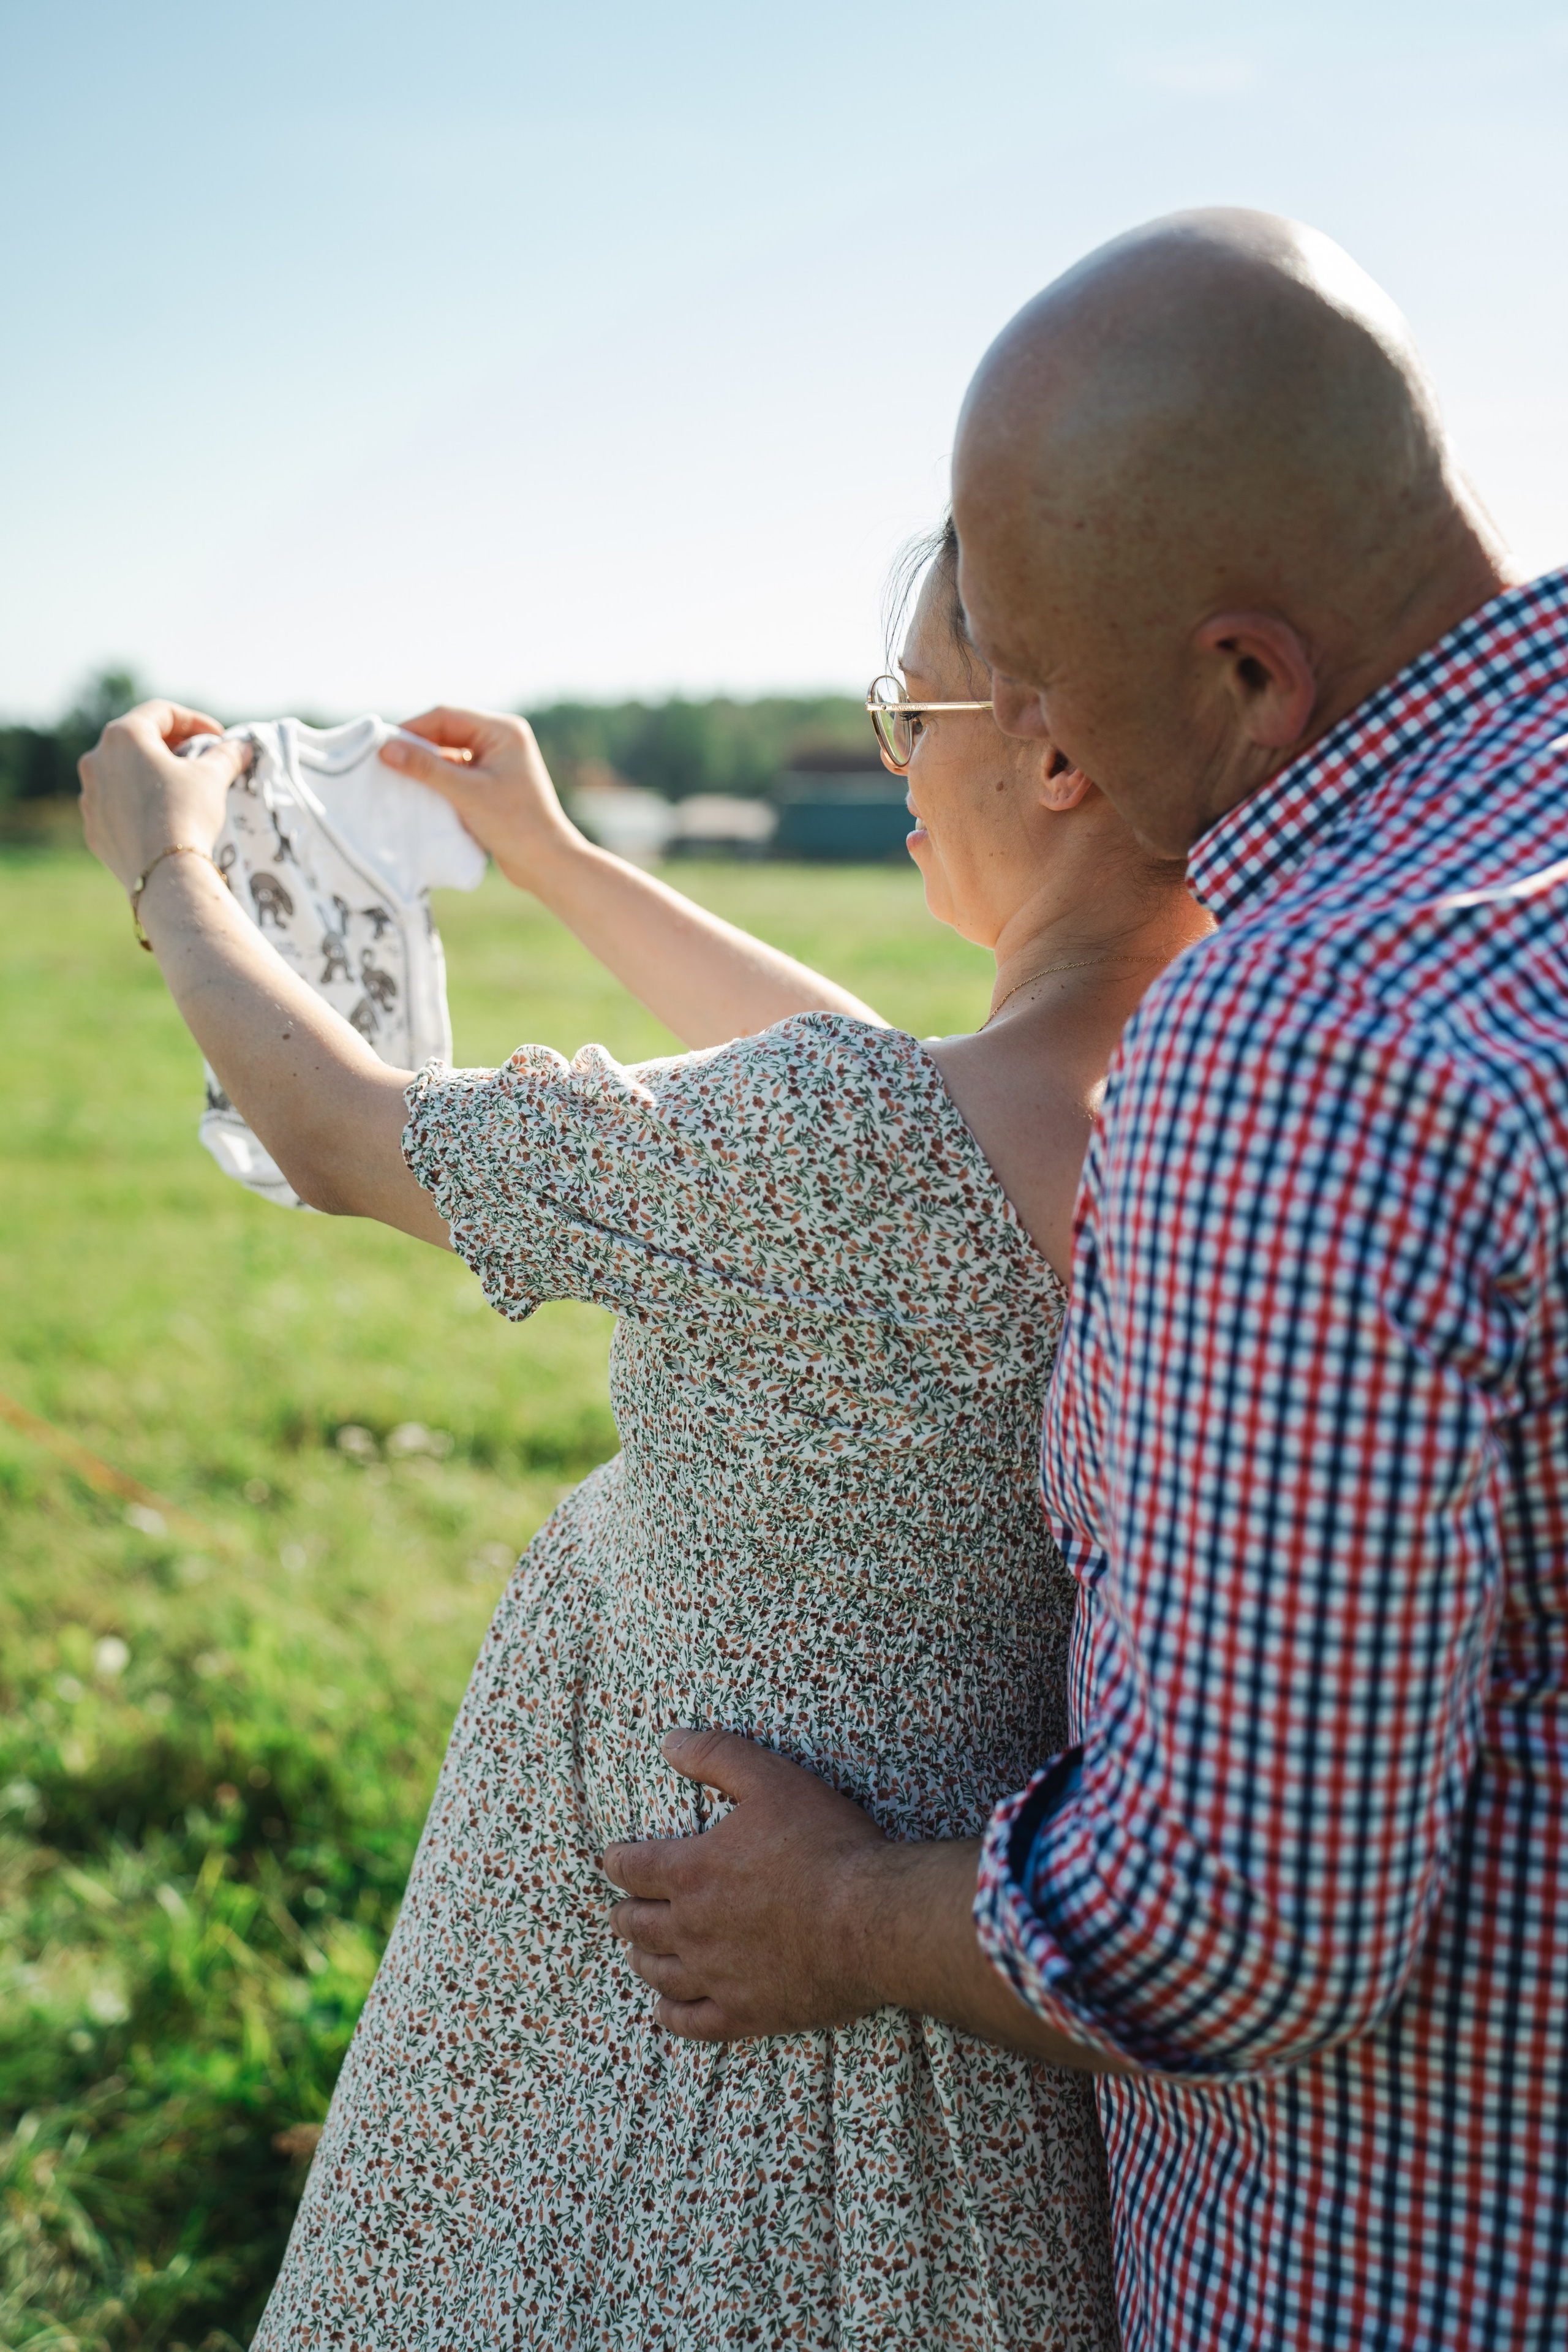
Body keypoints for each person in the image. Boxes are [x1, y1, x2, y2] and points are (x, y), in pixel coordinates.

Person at [78, 522, 1208, 2348]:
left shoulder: (859, 1160)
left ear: (1058, 754)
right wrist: (556, 859)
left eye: (906, 708)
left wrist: (169, 868)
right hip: (946, 2045)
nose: (895, 755)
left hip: (699, 2041)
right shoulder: (1159, 1096)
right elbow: (878, 1094)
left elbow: (343, 1132)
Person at [604, 210, 1568, 2350]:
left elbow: (1240, 1923)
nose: (1038, 748)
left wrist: (841, 1915)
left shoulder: (1312, 1037)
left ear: (1244, 675)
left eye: (1055, 685)